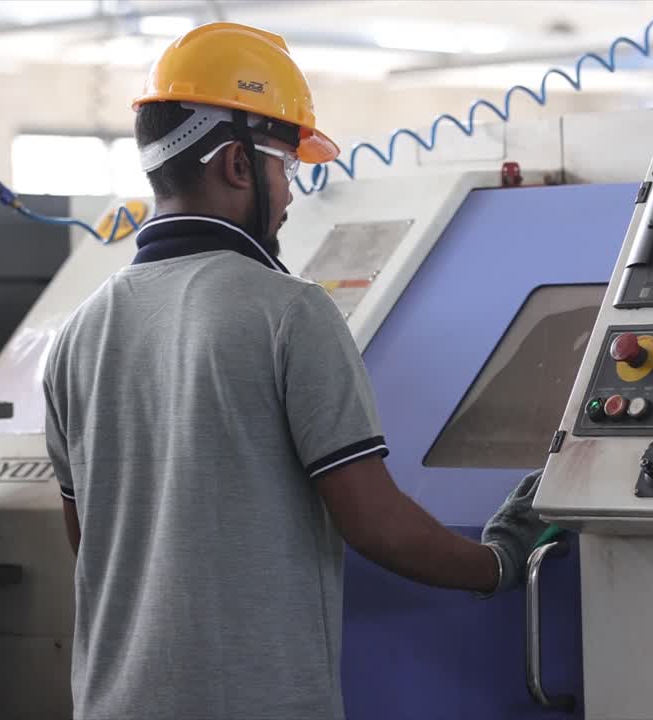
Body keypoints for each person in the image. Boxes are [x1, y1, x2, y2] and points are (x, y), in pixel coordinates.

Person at [43, 21, 552, 720]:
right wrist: (500, 562)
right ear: (238, 165)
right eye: (286, 166)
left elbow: (90, 538)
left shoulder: (78, 331)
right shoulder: (288, 311)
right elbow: (374, 521)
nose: (288, 194)